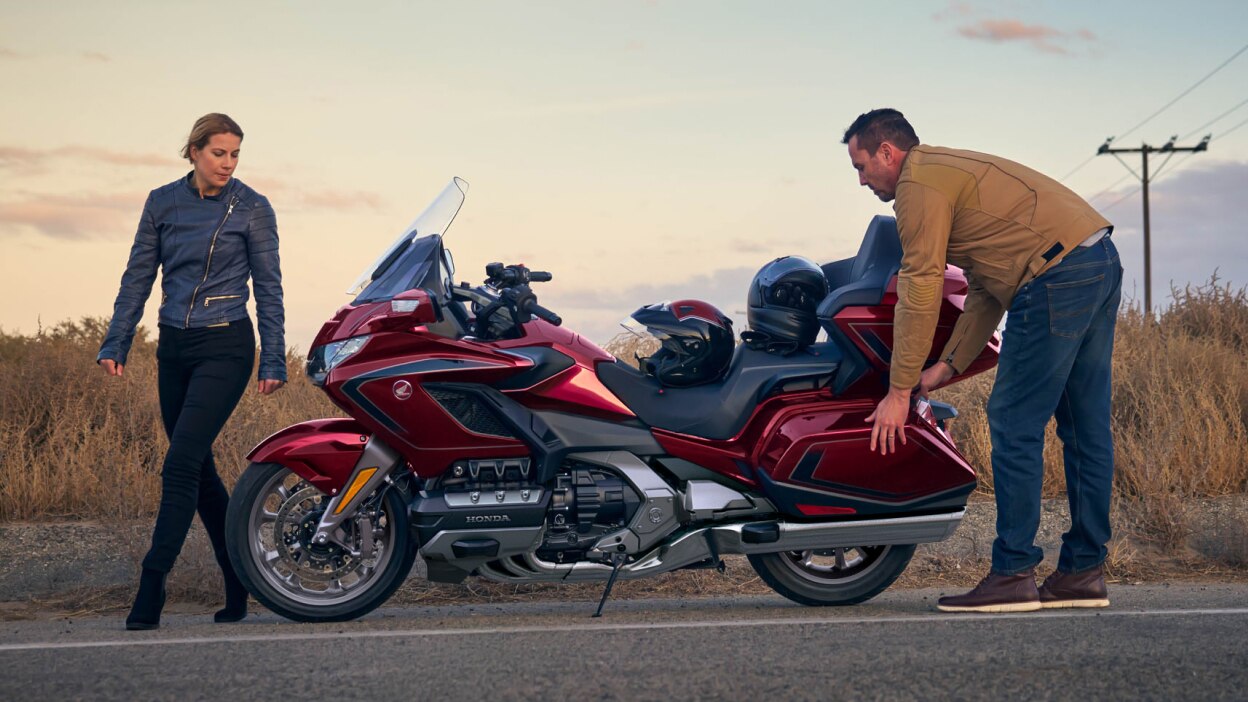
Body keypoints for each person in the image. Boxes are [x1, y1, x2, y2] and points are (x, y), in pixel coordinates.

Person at [842, 108, 1122, 613]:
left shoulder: (917, 186)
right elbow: (986, 290)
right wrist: (945, 368)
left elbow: (921, 286)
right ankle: (1082, 572)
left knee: (1014, 422)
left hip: (1055, 276)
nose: (861, 180)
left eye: (862, 166)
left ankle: (1013, 573)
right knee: (1084, 430)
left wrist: (899, 390)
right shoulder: (946, 171)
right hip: (1095, 259)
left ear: (888, 152)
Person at [97, 113, 286, 630]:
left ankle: (151, 586)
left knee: (179, 465)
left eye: (235, 154)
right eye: (218, 153)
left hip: (225, 346)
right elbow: (138, 276)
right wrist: (117, 340)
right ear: (194, 151)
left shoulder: (252, 208)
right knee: (199, 471)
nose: (227, 163)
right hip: (174, 348)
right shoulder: (162, 202)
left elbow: (269, 288)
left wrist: (273, 356)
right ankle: (238, 582)